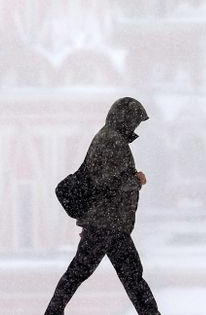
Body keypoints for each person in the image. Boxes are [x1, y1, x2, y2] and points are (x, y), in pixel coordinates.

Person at [45, 97, 161, 315]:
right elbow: (107, 182)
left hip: (107, 223)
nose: (136, 126)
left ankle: (53, 312)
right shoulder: (111, 140)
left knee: (86, 271)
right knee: (127, 276)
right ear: (125, 118)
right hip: (108, 224)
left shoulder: (110, 138)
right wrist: (137, 181)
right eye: (135, 121)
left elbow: (101, 182)